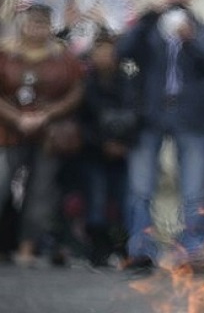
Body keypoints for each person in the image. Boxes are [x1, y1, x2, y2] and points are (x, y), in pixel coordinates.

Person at [116, 0, 204, 272]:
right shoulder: (149, 29)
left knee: (194, 188)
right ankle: (140, 248)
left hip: (191, 117)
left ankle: (192, 249)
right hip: (150, 115)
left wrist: (191, 41)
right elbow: (123, 52)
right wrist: (145, 19)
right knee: (140, 186)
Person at [0, 4, 84, 267]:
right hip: (8, 131)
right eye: (32, 23)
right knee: (1, 183)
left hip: (49, 134)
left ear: (50, 27)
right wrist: (17, 118)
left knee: (40, 191)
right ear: (23, 25)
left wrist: (47, 115)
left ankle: (27, 247)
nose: (36, 29)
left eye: (42, 24)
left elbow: (76, 91)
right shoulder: (5, 54)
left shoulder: (63, 57)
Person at [77, 31, 139, 267]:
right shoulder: (85, 83)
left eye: (109, 53)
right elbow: (82, 120)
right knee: (96, 200)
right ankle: (98, 250)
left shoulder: (130, 83)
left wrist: (124, 144)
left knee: (125, 202)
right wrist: (102, 143)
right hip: (93, 152)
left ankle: (124, 248)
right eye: (100, 53)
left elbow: (137, 114)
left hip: (123, 153)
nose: (105, 58)